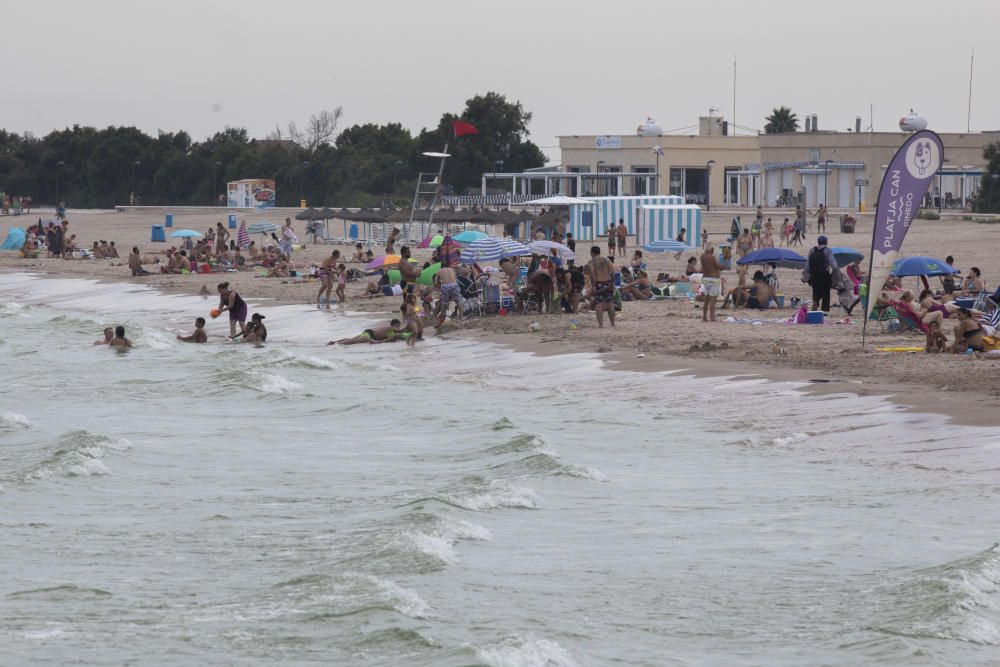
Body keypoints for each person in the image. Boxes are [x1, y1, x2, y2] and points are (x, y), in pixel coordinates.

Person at [584, 245, 615, 328]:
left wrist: (593, 286)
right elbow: (612, 272)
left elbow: (592, 275)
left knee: (599, 305)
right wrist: (612, 284)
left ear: (592, 252)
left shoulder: (591, 262)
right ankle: (612, 324)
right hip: (608, 282)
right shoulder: (607, 260)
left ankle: (601, 325)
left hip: (599, 283)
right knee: (610, 304)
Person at [807, 235, 837, 314]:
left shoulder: (812, 250)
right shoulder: (827, 250)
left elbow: (808, 264)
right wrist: (837, 272)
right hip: (824, 274)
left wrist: (806, 275)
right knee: (826, 292)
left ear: (818, 242)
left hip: (814, 274)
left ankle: (815, 301)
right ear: (826, 242)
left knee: (815, 290)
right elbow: (833, 264)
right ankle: (825, 310)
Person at [328, 319, 411, 346]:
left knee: (353, 339)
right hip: (371, 334)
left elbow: (393, 338)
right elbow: (400, 331)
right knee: (354, 341)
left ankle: (334, 342)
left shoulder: (391, 331)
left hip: (369, 333)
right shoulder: (391, 327)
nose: (398, 327)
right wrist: (408, 325)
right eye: (398, 325)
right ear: (395, 324)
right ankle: (338, 344)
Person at [699, 244, 723, 321]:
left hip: (705, 279)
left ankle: (704, 317)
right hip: (714, 280)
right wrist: (724, 264)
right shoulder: (712, 257)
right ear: (712, 250)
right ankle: (712, 317)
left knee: (707, 299)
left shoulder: (702, 257)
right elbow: (719, 266)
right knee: (713, 300)